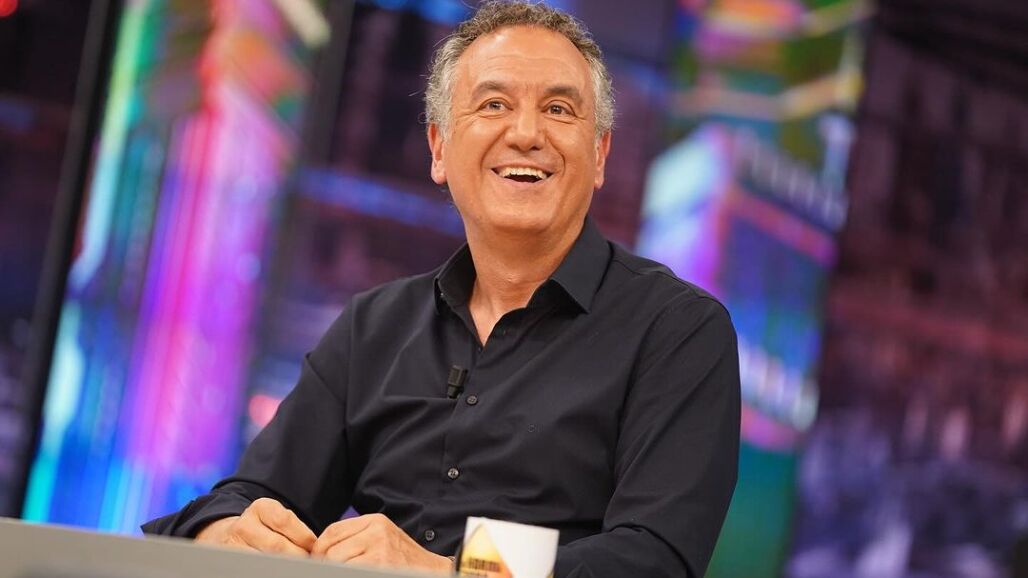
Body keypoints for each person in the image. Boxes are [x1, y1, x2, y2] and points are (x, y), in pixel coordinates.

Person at [143, 2, 740, 577]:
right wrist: (222, 533)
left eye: (559, 109)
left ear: (601, 154)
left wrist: (452, 571)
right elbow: (250, 496)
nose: (526, 133)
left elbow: (652, 559)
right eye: (494, 104)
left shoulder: (678, 331)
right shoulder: (373, 326)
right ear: (439, 149)